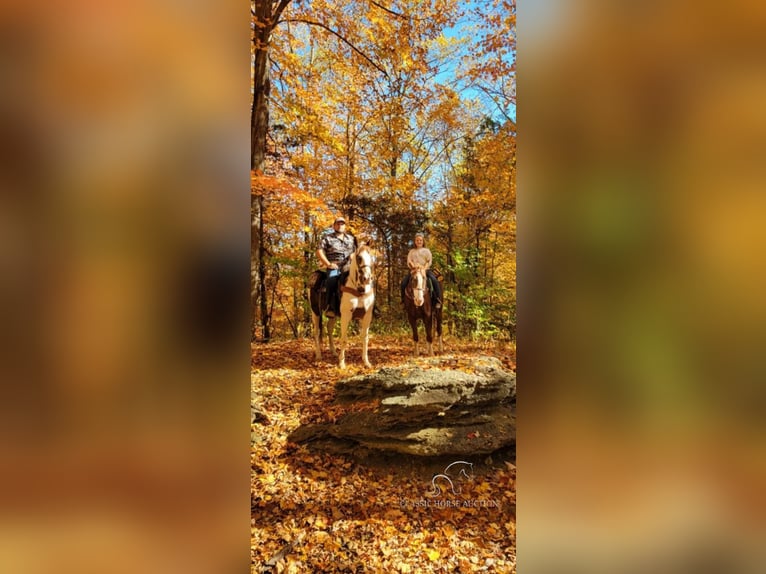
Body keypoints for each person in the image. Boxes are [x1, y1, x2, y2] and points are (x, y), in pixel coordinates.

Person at [316, 215, 357, 317]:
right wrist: (328, 264)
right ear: (334, 226)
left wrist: (354, 255)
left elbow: (357, 252)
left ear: (345, 226)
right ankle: (330, 306)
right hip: (335, 266)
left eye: (342, 224)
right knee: (332, 279)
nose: (340, 226)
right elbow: (319, 251)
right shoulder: (327, 238)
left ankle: (370, 306)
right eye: (338, 224)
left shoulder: (351, 239)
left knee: (365, 277)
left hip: (349, 265)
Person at [401, 232, 442, 308]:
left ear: (423, 241)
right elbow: (409, 261)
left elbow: (428, 261)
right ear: (415, 241)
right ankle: (403, 301)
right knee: (403, 282)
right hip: (414, 270)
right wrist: (414, 267)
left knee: (434, 280)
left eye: (420, 240)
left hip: (425, 270)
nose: (419, 242)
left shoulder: (427, 251)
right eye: (417, 240)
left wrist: (423, 268)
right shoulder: (411, 251)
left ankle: (437, 299)